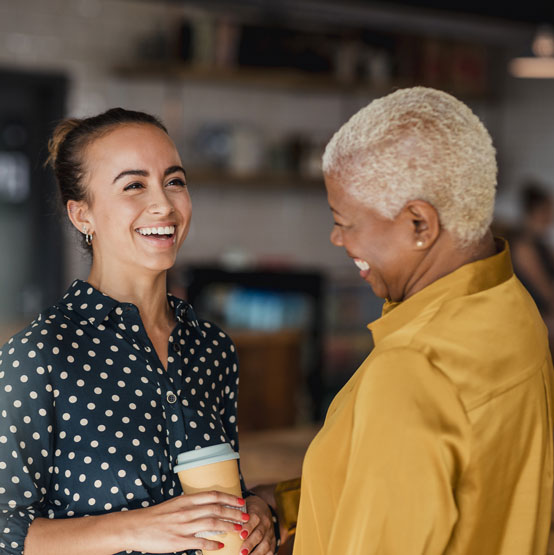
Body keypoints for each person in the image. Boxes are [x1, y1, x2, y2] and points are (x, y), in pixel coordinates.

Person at [0, 108, 277, 555]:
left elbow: (222, 494)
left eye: (174, 181)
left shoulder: (212, 348)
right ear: (81, 214)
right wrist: (134, 528)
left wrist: (258, 511)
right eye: (134, 185)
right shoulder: (41, 354)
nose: (164, 205)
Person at [291, 87, 553, 554]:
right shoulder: (511, 308)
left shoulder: (414, 368)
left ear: (419, 224)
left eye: (345, 220)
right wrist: (291, 507)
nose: (336, 238)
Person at [511, 181, 554, 343]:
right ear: (534, 212)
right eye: (547, 210)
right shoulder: (524, 246)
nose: (551, 216)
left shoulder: (541, 243)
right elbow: (545, 291)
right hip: (531, 316)